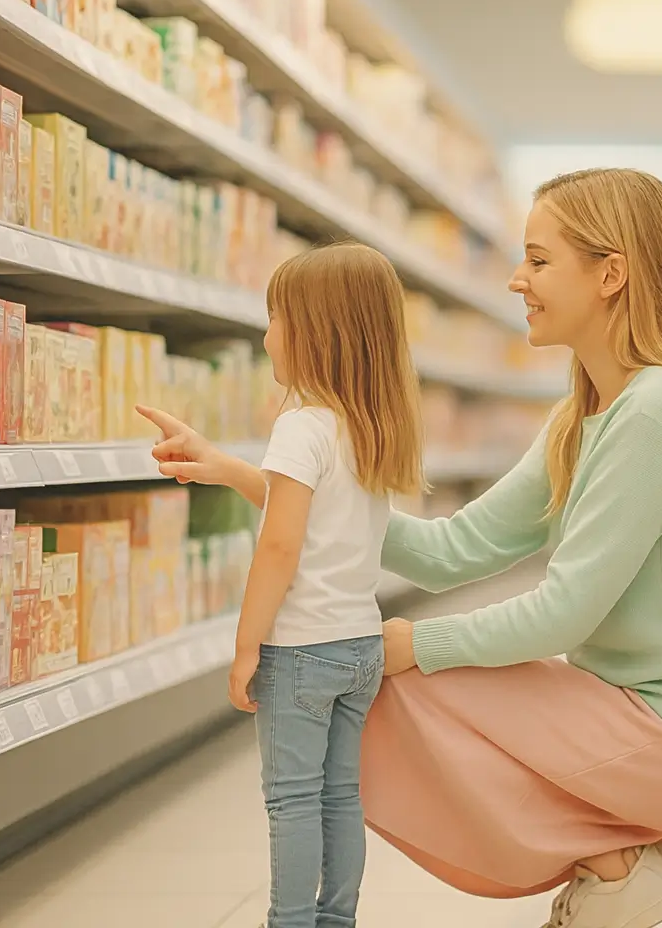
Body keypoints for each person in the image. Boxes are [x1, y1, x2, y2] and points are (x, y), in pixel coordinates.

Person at [142, 169, 662, 928]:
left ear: (611, 274)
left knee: (380, 679)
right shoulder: (587, 413)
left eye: (538, 261)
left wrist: (412, 642)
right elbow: (449, 550)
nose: (515, 280)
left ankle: (615, 856)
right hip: (629, 717)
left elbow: (563, 613)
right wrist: (262, 480)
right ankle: (619, 859)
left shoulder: (660, 410)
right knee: (372, 669)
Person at [192, 243, 422, 928]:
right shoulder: (369, 426)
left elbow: (283, 542)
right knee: (340, 795)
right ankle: (336, 919)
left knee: (290, 800)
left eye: (275, 317)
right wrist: (226, 468)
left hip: (300, 652)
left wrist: (245, 645)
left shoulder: (300, 424)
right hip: (358, 646)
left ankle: (288, 921)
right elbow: (310, 511)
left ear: (316, 330)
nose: (267, 335)